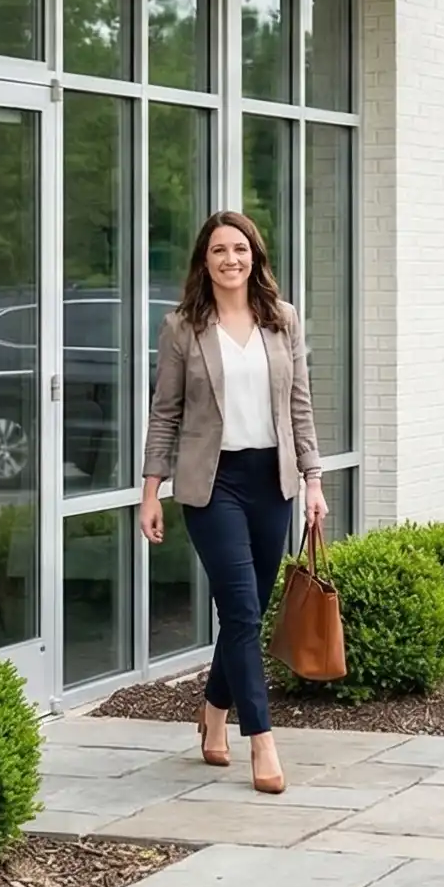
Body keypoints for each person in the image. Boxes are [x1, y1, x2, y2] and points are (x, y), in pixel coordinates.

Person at [139, 211, 326, 795]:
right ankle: (262, 741)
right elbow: (164, 412)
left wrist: (313, 479)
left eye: (239, 249)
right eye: (218, 250)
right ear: (204, 261)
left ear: (255, 256)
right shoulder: (181, 328)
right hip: (211, 484)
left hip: (272, 480)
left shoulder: (282, 319)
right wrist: (151, 491)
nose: (230, 260)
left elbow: (300, 404)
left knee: (248, 612)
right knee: (241, 609)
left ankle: (214, 711)